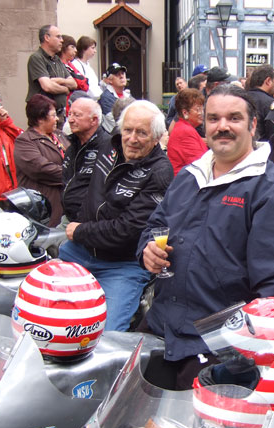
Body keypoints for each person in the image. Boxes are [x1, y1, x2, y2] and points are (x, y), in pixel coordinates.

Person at [136, 84, 274, 390]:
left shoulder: (273, 192)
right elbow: (154, 225)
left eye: (234, 118)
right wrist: (147, 250)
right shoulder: (190, 176)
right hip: (162, 326)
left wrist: (239, 357)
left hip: (216, 348)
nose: (222, 126)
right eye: (213, 118)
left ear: (253, 125)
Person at [59, 100, 173, 332]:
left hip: (122, 265)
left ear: (156, 138)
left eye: (142, 132)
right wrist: (77, 216)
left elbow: (127, 230)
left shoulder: (160, 172)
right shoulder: (108, 145)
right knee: (51, 317)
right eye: (128, 130)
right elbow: (80, 185)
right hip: (77, 252)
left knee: (106, 335)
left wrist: (79, 230)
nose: (132, 138)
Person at [14, 94, 69, 227]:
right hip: (44, 207)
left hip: (65, 204)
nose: (57, 118)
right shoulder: (25, 141)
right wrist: (73, 173)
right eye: (53, 115)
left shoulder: (60, 136)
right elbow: (41, 169)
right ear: (40, 118)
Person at [61, 98, 112, 227]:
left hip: (92, 224)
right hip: (68, 218)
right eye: (70, 114)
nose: (71, 120)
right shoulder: (72, 147)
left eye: (77, 115)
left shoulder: (108, 147)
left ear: (94, 120)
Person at [26, 25, 77, 126]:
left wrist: (59, 80)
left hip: (59, 114)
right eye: (58, 37)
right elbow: (47, 86)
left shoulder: (57, 60)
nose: (62, 40)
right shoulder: (37, 58)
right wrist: (65, 90)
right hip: (43, 116)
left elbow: (74, 83)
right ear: (47, 38)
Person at [166, 88, 207, 176]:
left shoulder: (184, 127)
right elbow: (200, 166)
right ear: (185, 112)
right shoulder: (185, 131)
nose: (202, 113)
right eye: (198, 109)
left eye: (202, 109)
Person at [57, 35, 89, 114]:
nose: (75, 51)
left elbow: (85, 83)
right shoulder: (59, 65)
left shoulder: (71, 65)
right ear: (64, 47)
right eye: (72, 47)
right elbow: (79, 81)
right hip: (67, 107)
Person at [246, 64, 274, 141]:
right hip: (263, 148)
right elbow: (273, 135)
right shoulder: (271, 103)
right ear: (268, 81)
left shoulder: (241, 99)